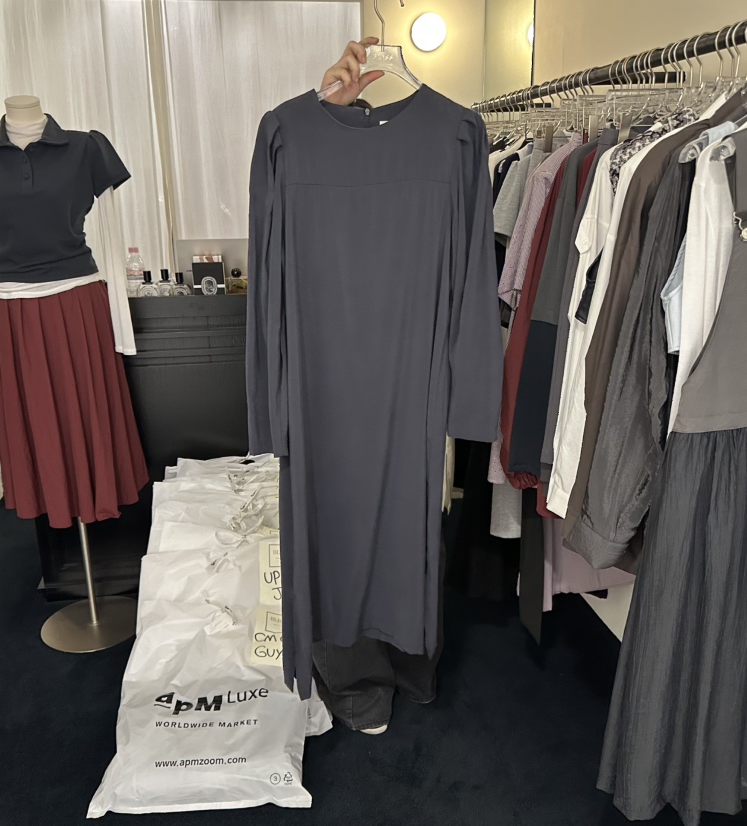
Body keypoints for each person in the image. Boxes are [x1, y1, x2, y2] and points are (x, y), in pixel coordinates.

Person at [309, 38, 444, 736]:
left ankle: (399, 668)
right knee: (341, 521)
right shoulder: (294, 142)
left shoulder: (450, 140)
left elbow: (464, 279)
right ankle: (363, 683)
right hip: (332, 375)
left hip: (408, 373)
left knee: (402, 522)